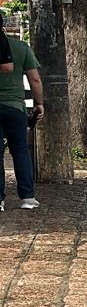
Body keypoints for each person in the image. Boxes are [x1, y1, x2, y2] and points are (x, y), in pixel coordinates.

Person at [0, 13, 39, 210]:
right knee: (20, 151)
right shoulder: (21, 47)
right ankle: (27, 198)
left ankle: (0, 200)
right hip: (15, 108)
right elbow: (34, 79)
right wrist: (39, 104)